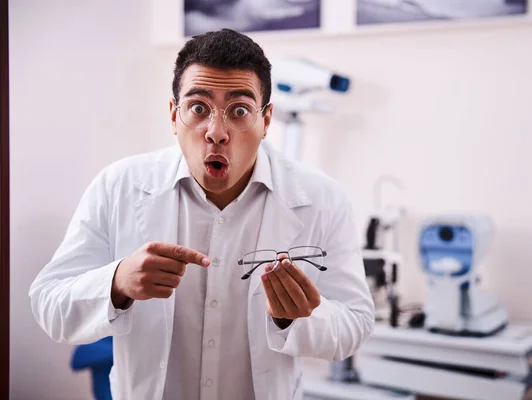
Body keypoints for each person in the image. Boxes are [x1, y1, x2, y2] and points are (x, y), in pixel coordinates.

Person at [29, 28, 374, 400]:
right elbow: (50, 305)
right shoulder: (118, 186)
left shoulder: (322, 199)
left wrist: (295, 319)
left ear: (266, 121)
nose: (217, 132)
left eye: (239, 110)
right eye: (198, 108)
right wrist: (116, 283)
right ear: (174, 115)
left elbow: (355, 323)